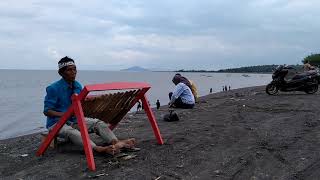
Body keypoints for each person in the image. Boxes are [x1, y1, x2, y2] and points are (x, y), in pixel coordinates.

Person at [43, 56, 135, 155]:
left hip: (74, 120)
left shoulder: (77, 86)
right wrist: (65, 115)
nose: (73, 72)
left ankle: (115, 143)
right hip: (56, 123)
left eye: (74, 69)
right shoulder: (53, 88)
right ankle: (97, 148)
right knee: (73, 132)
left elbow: (80, 103)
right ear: (61, 73)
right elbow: (47, 111)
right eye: (69, 70)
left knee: (98, 123)